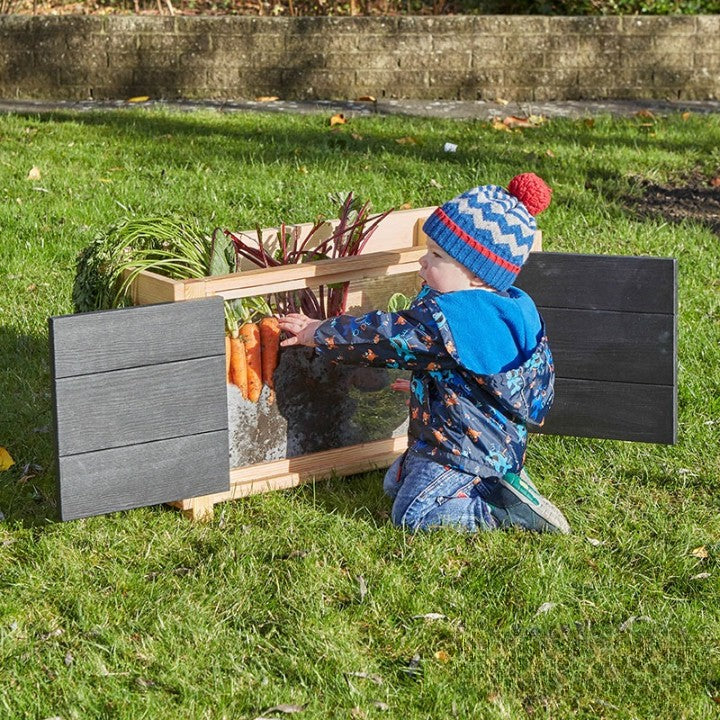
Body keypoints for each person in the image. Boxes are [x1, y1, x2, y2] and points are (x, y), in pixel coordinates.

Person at [277, 173, 570, 534]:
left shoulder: (452, 319)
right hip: (488, 441)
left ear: (477, 274)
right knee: (393, 485)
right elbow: (476, 376)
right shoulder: (506, 308)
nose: (422, 263)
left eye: (436, 255)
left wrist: (317, 332)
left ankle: (495, 513)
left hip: (462, 450)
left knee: (412, 513)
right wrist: (431, 387)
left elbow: (384, 338)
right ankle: (502, 485)